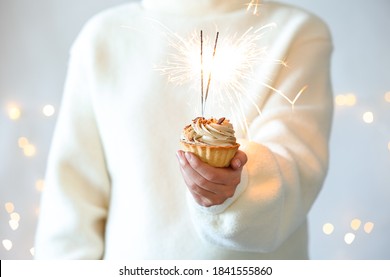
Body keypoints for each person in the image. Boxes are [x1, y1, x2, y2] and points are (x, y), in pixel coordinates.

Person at [34, 0, 333, 259]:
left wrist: (235, 188)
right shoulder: (101, 37)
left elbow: (296, 171)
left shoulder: (298, 33)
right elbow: (70, 202)